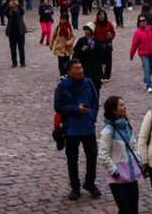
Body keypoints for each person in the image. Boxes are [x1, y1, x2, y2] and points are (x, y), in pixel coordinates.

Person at [53, 59, 102, 201]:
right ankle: (75, 187)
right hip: (71, 129)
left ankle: (90, 183)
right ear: (69, 72)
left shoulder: (89, 83)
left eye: (81, 68)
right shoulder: (62, 87)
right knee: (72, 159)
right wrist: (75, 109)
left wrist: (92, 116)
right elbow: (58, 107)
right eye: (76, 69)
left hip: (88, 127)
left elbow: (95, 101)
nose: (80, 71)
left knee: (92, 156)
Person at [99, 95, 144, 214]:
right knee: (125, 210)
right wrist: (114, 171)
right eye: (121, 105)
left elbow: (134, 145)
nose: (125, 107)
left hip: (131, 174)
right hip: (117, 178)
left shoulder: (126, 125)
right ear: (114, 110)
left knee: (133, 210)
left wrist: (140, 162)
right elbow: (103, 155)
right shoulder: (108, 131)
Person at [129, 14, 152, 93]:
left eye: (144, 20)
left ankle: (146, 80)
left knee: (150, 69)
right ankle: (149, 85)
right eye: (140, 21)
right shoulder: (138, 33)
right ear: (139, 23)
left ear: (146, 21)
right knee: (146, 68)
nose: (142, 22)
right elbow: (134, 44)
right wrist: (131, 55)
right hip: (143, 54)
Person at [74, 23, 105, 93]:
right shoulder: (81, 40)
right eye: (85, 29)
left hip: (95, 67)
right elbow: (75, 51)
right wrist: (82, 50)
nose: (86, 31)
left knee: (96, 84)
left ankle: (96, 99)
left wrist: (103, 63)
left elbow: (101, 52)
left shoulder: (96, 41)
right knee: (85, 84)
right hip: (85, 66)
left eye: (87, 29)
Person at [94, 9, 116, 81]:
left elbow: (113, 32)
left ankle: (107, 76)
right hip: (98, 45)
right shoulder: (95, 24)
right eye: (100, 15)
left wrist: (110, 37)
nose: (101, 16)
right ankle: (100, 75)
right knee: (98, 60)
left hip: (107, 44)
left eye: (102, 14)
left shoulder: (109, 24)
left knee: (108, 61)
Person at [51, 12, 76, 77]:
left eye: (63, 19)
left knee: (67, 62)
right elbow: (53, 36)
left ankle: (66, 73)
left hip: (67, 48)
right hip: (59, 47)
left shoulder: (70, 27)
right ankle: (62, 74)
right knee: (61, 62)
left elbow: (73, 37)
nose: (62, 20)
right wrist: (51, 44)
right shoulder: (58, 27)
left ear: (66, 19)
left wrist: (69, 42)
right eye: (61, 19)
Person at [5, 0, 27, 67]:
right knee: (13, 49)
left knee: (21, 49)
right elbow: (4, 13)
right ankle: (14, 62)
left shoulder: (20, 11)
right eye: (13, 3)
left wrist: (18, 5)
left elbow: (23, 11)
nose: (14, 4)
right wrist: (9, 6)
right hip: (12, 33)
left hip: (20, 32)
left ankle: (22, 62)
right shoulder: (10, 12)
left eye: (15, 3)